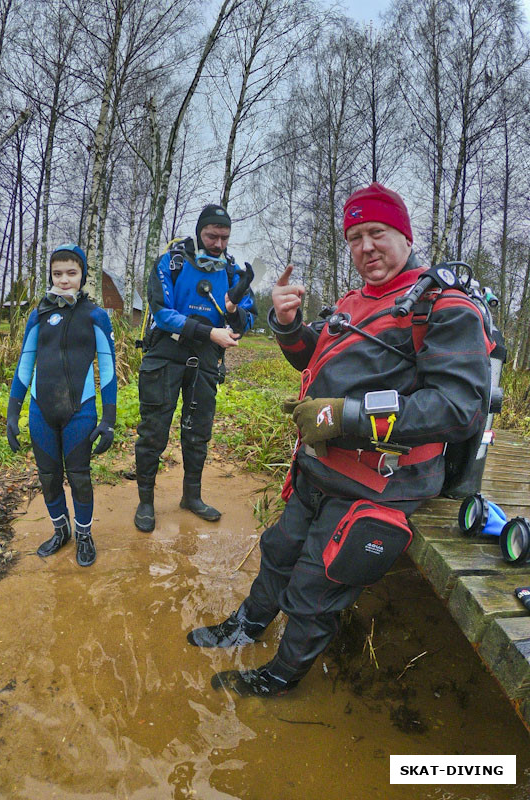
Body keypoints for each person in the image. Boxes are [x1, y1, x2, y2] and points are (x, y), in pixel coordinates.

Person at [187, 182, 493, 697]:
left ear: (404, 234)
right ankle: (247, 626)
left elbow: (459, 408)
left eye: (377, 233)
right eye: (354, 237)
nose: (366, 247)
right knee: (279, 549)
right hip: (320, 465)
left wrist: (347, 416)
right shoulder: (355, 300)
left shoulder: (444, 305)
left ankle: (281, 678)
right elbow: (318, 360)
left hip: (380, 482)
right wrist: (288, 326)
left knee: (315, 584)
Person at [133, 204, 257, 532]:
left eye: (224, 237)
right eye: (211, 236)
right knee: (154, 431)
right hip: (165, 354)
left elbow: (247, 320)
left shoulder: (232, 272)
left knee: (197, 431)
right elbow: (162, 312)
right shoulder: (172, 262)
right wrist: (208, 331)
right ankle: (146, 501)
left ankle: (192, 496)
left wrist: (233, 307)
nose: (218, 243)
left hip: (205, 359)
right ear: (199, 231)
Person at [6, 244, 117, 567]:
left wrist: (108, 419)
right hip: (41, 410)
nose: (64, 279)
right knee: (48, 476)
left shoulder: (96, 316)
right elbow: (25, 365)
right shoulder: (38, 314)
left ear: (83, 275)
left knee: (80, 477)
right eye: (58, 273)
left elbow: (107, 371)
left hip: (80, 411)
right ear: (50, 275)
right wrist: (13, 413)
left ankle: (84, 534)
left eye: (71, 273)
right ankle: (61, 530)